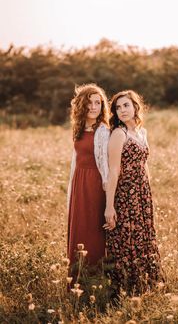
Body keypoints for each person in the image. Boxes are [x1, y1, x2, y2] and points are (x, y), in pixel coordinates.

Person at [104, 90, 162, 295]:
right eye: (118, 107)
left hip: (142, 193)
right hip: (125, 194)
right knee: (128, 238)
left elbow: (144, 163)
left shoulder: (141, 132)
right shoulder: (119, 134)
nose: (122, 110)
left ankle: (146, 283)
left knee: (144, 235)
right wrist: (109, 206)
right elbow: (113, 171)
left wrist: (148, 190)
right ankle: (127, 287)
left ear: (136, 106)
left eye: (126, 105)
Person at [67, 83, 110, 285]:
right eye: (90, 102)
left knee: (94, 232)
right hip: (79, 183)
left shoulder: (103, 131)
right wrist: (70, 193)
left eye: (98, 103)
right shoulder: (78, 128)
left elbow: (106, 166)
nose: (94, 107)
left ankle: (95, 282)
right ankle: (77, 281)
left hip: (95, 185)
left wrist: (109, 196)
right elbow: (75, 161)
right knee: (79, 230)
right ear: (82, 105)